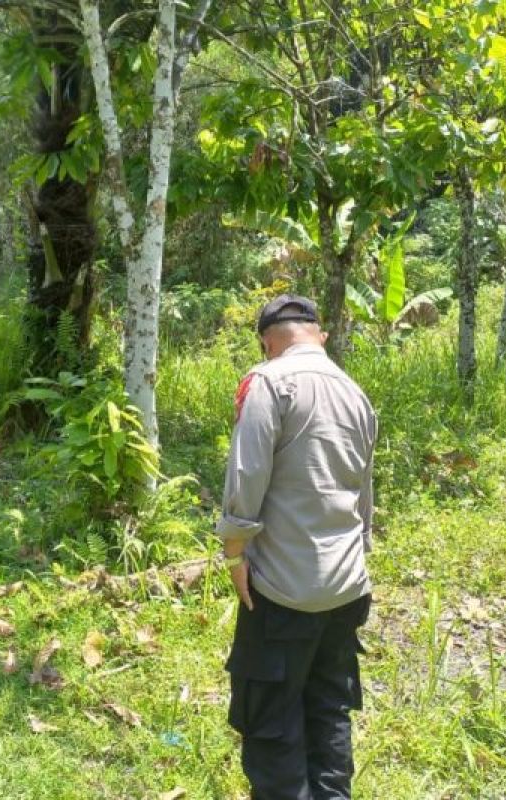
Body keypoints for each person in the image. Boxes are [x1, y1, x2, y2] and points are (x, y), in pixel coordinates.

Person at [217, 294, 377, 800]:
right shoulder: (355, 393)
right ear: (319, 335)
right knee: (328, 708)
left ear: (268, 340)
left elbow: (246, 480)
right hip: (347, 588)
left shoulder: (267, 382)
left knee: (271, 720)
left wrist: (235, 554)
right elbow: (363, 495)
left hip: (283, 591)